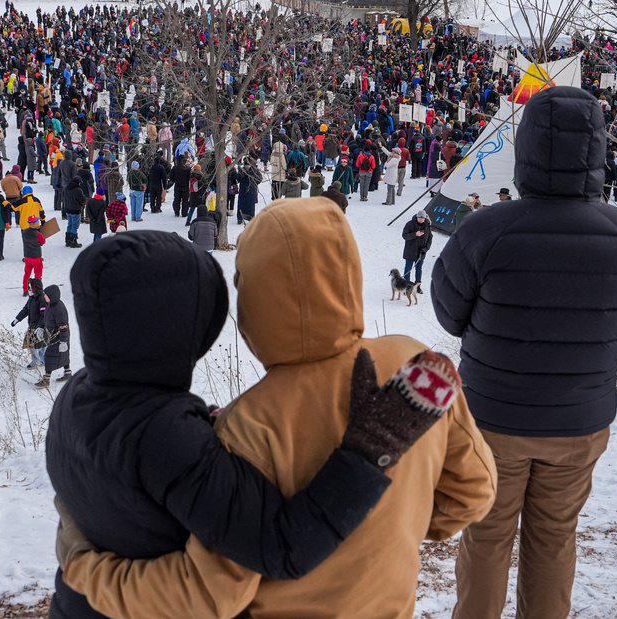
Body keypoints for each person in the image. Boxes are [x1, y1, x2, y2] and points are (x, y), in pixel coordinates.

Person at [53, 200, 495, 619]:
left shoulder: (242, 428)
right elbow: (473, 492)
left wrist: (82, 563)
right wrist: (397, 525)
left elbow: (216, 589)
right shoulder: (414, 370)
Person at [432, 87, 617, 619]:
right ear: (599, 149)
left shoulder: (486, 227)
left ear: (526, 147)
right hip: (579, 421)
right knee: (555, 538)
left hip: (494, 420)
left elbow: (448, 314)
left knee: (487, 536)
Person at [34, 284, 72, 390]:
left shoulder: (59, 309)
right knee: (63, 355)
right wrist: (40, 328)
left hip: (59, 338)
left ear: (52, 296)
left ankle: (46, 379)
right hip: (52, 336)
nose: (44, 297)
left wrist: (63, 342)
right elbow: (45, 319)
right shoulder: (49, 306)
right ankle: (68, 373)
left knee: (49, 356)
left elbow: (64, 326)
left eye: (46, 295)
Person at [12, 277, 48, 369]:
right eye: (29, 287)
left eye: (32, 287)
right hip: (32, 325)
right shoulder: (32, 298)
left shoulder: (42, 299)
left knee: (40, 344)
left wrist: (40, 327)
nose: (30, 289)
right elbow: (26, 309)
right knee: (32, 344)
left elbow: (43, 315)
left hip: (40, 326)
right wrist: (17, 319)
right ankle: (37, 359)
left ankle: (41, 360)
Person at [400, 210, 432, 288]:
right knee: (408, 269)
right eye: (419, 218)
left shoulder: (427, 227)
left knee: (419, 269)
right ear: (417, 217)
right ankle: (406, 286)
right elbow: (405, 236)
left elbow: (430, 239)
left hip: (421, 252)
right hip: (410, 251)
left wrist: (425, 249)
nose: (421, 220)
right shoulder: (409, 224)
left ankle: (418, 286)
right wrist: (415, 234)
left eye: (422, 218)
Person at [22, 215, 46, 297]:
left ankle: (25, 289)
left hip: (27, 256)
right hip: (36, 257)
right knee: (38, 275)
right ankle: (37, 290)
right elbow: (43, 242)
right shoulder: (38, 234)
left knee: (27, 273)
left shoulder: (24, 232)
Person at [62, 176, 86, 248]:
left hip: (67, 209)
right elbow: (83, 200)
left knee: (69, 224)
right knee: (74, 226)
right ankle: (73, 241)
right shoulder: (78, 190)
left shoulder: (66, 187)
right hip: (75, 210)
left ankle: (68, 240)